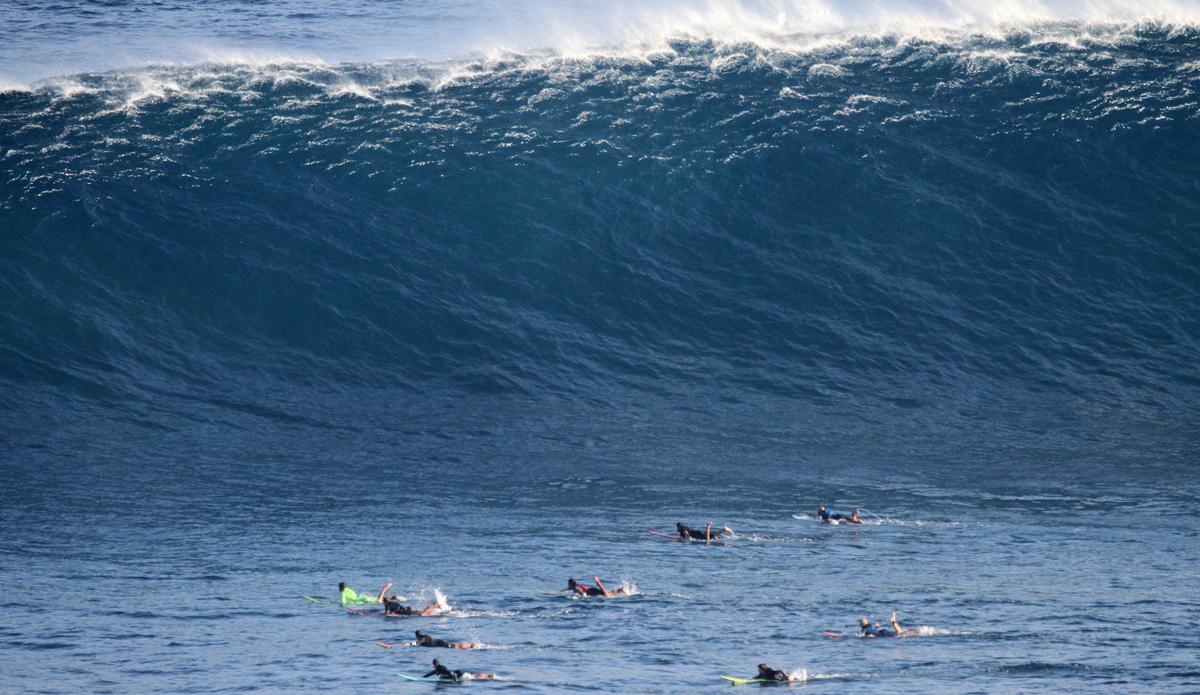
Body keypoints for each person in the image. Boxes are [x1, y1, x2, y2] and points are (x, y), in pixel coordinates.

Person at [422, 658, 496, 681]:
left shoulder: (440, 668)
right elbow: (429, 674)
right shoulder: (437, 669)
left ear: (433, 664)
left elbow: (449, 672)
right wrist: (421, 678)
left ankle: (490, 677)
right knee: (474, 675)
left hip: (460, 675)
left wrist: (455, 678)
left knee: (474, 676)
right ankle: (489, 675)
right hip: (459, 673)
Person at [401, 630, 480, 649]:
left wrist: (409, 644)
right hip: (439, 643)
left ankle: (471, 645)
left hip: (440, 644)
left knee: (456, 646)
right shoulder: (425, 636)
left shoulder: (422, 638)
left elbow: (419, 642)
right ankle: (470, 645)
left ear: (417, 636)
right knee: (455, 646)